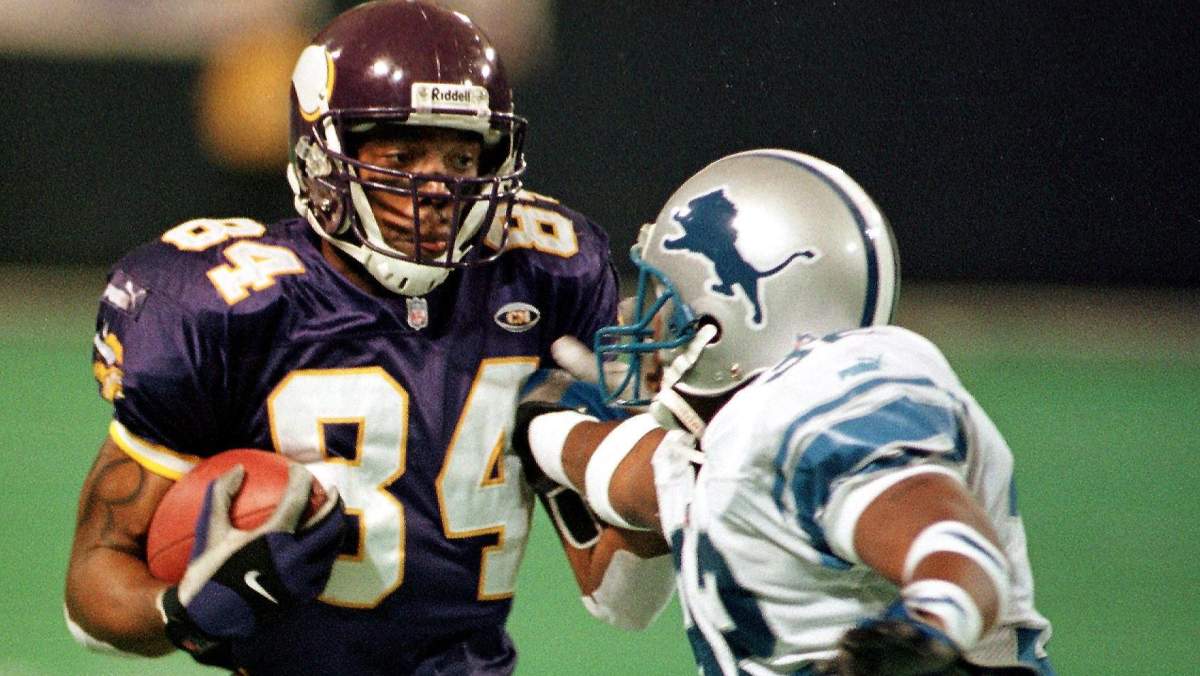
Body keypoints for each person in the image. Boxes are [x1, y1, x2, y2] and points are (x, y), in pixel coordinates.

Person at [64, 1, 674, 673]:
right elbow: (93, 583)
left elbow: (624, 600)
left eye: (461, 156)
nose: (437, 188)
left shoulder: (543, 277)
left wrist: (661, 446)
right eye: (403, 155)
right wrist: (185, 612)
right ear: (322, 156)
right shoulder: (220, 306)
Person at [516, 149, 1056, 674]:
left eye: (665, 296)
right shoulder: (714, 443)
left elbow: (957, 551)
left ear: (723, 316)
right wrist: (536, 422)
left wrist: (926, 630)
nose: (646, 323)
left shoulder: (824, 403)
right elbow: (626, 478)